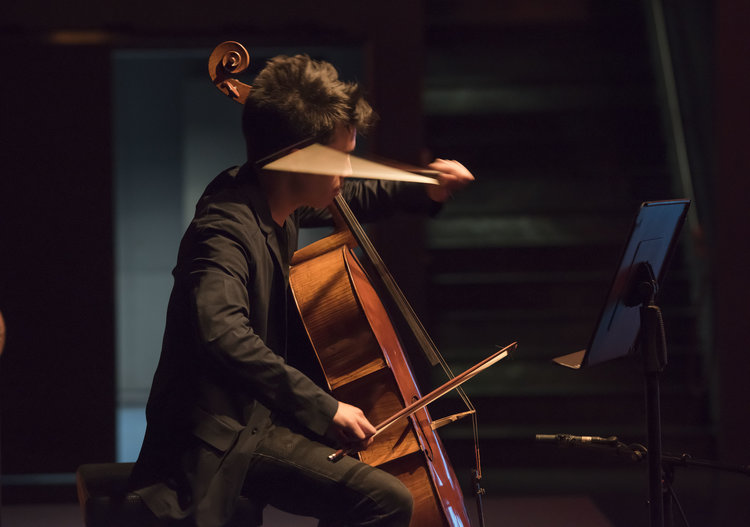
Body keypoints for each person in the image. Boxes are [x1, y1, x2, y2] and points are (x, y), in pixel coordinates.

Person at [129, 54, 474, 527]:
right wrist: (324, 408)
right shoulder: (223, 230)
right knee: (385, 500)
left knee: (365, 484)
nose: (350, 170)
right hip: (218, 438)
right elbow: (220, 332)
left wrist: (424, 190)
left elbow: (349, 197)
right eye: (341, 157)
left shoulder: (276, 200)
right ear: (297, 159)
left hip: (259, 421)